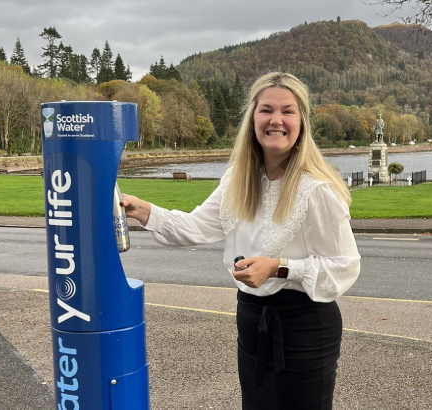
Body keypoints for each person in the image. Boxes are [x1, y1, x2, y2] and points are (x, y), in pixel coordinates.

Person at [121, 72, 360, 410]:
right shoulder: (238, 179)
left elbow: (344, 267)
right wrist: (142, 210)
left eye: (288, 111)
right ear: (253, 118)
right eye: (266, 110)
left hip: (304, 327)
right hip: (251, 320)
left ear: (302, 121)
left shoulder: (316, 189)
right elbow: (194, 227)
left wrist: (279, 268)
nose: (276, 120)